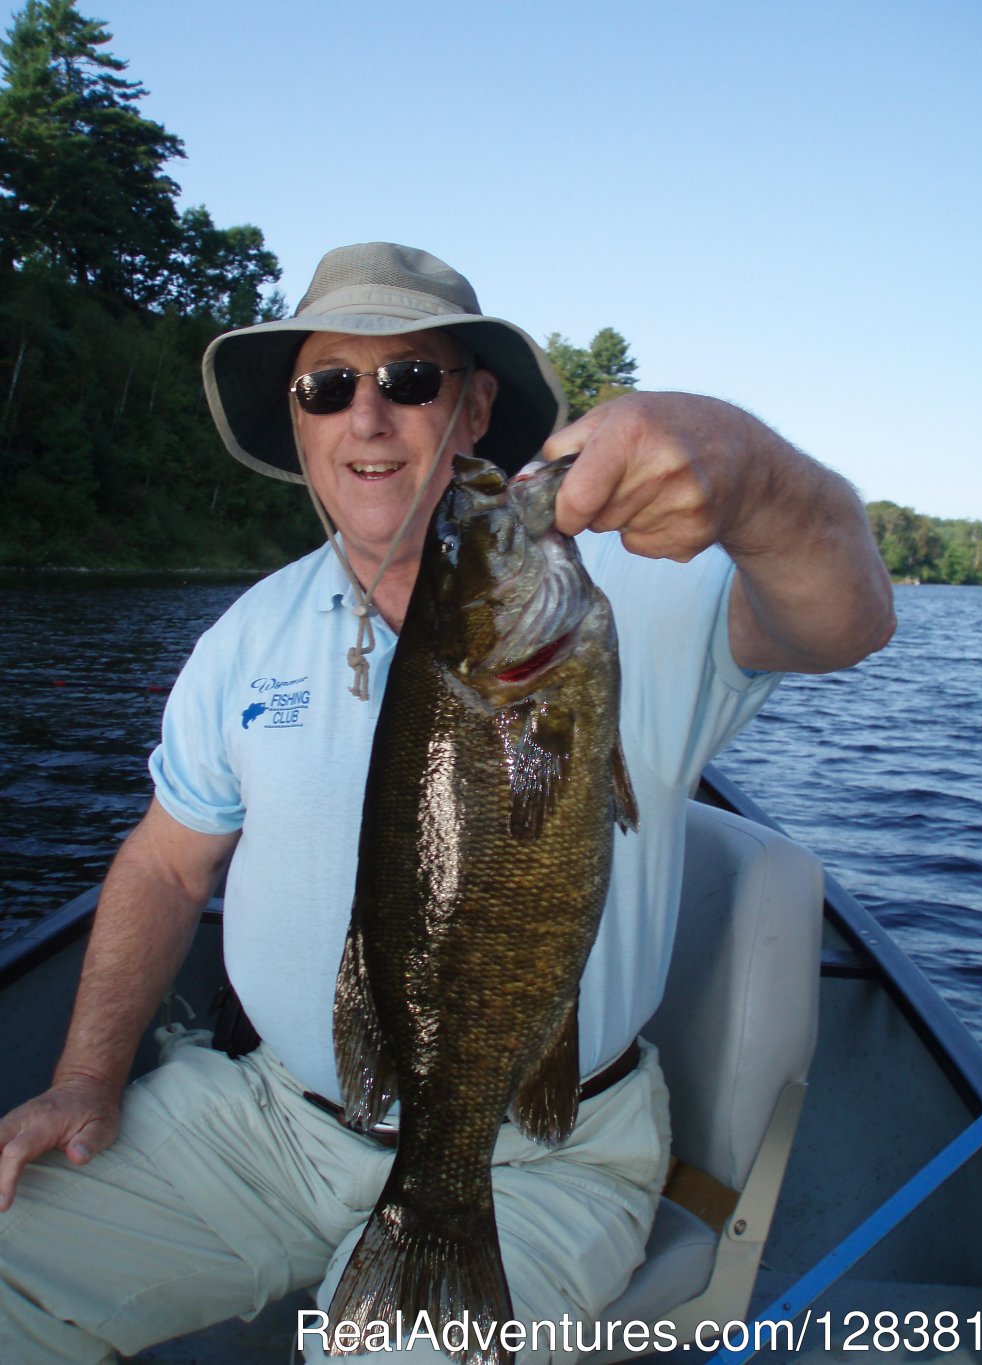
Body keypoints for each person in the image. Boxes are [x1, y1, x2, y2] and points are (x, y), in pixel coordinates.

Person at [0, 242, 895, 1362]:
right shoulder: (244, 639)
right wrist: (83, 1081)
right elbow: (166, 866)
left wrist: (759, 478)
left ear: (474, 410)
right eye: (329, 387)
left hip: (539, 1157)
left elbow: (845, 623)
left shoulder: (627, 604)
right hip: (273, 1120)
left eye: (410, 380)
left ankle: (442, 1211)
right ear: (299, 426)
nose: (366, 417)